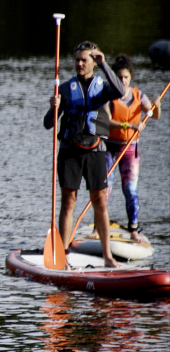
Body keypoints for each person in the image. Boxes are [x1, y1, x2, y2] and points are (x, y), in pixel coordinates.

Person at [44, 41, 125, 268]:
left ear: (93, 62)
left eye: (84, 60)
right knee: (68, 201)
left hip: (95, 151)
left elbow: (121, 91)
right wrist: (53, 108)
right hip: (69, 151)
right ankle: (64, 256)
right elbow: (48, 124)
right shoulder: (64, 89)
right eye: (77, 60)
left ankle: (108, 257)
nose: (79, 64)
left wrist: (104, 64)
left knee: (99, 201)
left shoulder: (103, 87)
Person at [87, 55, 161, 242]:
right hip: (110, 148)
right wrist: (129, 125)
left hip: (130, 150)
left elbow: (153, 115)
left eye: (126, 77)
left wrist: (157, 106)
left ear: (130, 78)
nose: (123, 81)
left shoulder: (138, 95)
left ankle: (134, 229)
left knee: (130, 190)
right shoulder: (108, 97)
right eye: (119, 77)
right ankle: (97, 227)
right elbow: (106, 121)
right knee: (104, 189)